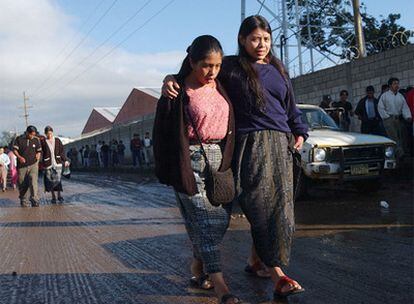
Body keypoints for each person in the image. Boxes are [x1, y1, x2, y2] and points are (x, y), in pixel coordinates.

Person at [162, 15, 308, 301]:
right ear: (242, 40)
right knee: (245, 209)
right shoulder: (230, 66)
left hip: (280, 145)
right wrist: (170, 78)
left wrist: (299, 131)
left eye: (266, 39)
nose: (261, 44)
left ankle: (260, 263)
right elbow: (198, 68)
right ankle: (267, 270)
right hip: (247, 144)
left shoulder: (278, 69)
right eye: (255, 39)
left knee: (278, 208)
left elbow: (291, 107)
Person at [154, 35, 238, 304]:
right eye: (206, 65)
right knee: (205, 221)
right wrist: (169, 78)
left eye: (217, 65)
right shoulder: (176, 91)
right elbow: (161, 135)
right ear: (191, 62)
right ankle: (220, 284)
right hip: (188, 162)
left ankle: (197, 267)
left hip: (219, 160)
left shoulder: (221, 83)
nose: (212, 72)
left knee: (220, 221)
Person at [378, 77, 412, 159]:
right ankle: (399, 154)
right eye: (394, 84)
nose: (396, 85)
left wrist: (408, 116)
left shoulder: (400, 96)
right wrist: (386, 117)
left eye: (397, 83)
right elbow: (380, 108)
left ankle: (400, 153)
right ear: (390, 85)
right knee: (393, 137)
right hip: (388, 119)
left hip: (398, 119)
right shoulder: (384, 96)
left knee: (401, 136)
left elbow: (405, 108)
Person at [13, 125, 42, 207]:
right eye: (31, 134)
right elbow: (15, 150)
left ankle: (34, 199)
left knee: (33, 181)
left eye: (34, 134)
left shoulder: (36, 140)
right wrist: (19, 157)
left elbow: (39, 150)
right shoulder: (19, 139)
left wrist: (38, 155)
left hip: (33, 164)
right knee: (23, 183)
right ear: (27, 132)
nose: (32, 136)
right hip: (22, 166)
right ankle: (24, 199)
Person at [41, 126, 70, 204]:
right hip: (48, 164)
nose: (49, 135)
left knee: (58, 180)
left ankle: (59, 195)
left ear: (52, 133)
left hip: (57, 163)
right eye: (47, 134)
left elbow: (62, 152)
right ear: (45, 134)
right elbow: (41, 153)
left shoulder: (57, 141)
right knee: (50, 180)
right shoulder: (43, 142)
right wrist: (41, 163)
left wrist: (65, 160)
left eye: (50, 133)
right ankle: (53, 196)